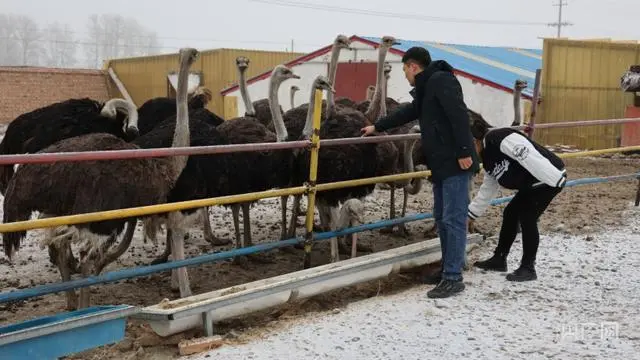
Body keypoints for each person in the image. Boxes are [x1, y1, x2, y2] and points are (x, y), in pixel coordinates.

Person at [361, 46, 479, 298]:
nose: (404, 75)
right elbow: (410, 111)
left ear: (413, 66)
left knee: (454, 218)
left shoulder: (442, 81)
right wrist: (377, 126)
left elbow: (458, 115)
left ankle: (453, 277)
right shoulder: (428, 87)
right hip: (441, 162)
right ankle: (447, 268)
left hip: (456, 161)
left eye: (405, 69)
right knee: (441, 217)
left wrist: (463, 152)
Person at [467, 116, 567, 281]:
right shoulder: (487, 157)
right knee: (510, 213)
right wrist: (471, 214)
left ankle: (528, 268)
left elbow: (530, 156)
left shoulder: (501, 139)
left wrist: (554, 179)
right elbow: (489, 188)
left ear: (473, 141)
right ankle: (499, 259)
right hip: (532, 185)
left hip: (549, 178)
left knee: (527, 217)